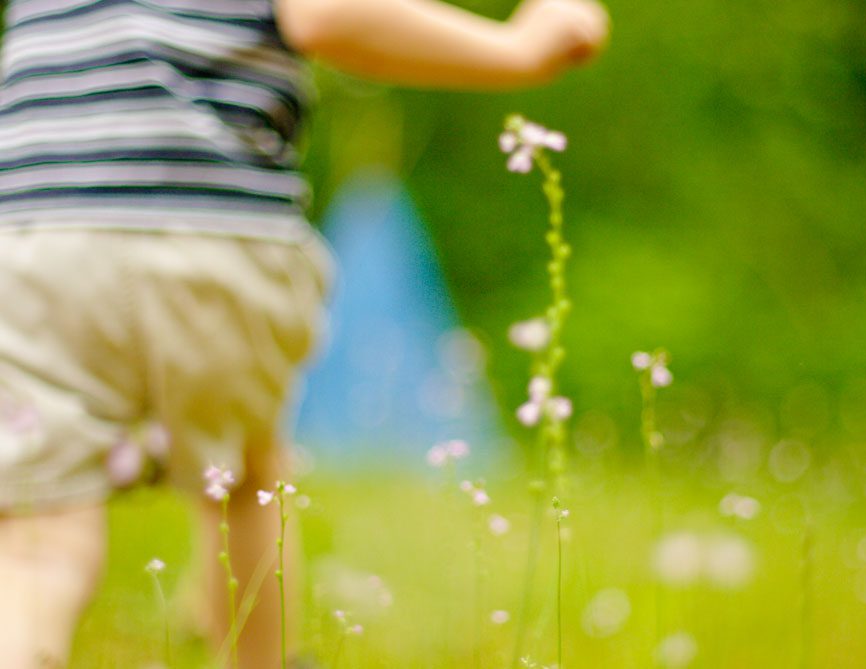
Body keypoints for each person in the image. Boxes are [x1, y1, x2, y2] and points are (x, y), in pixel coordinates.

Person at [0, 0, 608, 666]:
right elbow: (324, 15)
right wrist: (515, 48)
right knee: (245, 481)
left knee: (39, 544)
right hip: (214, 232)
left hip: (35, 238)